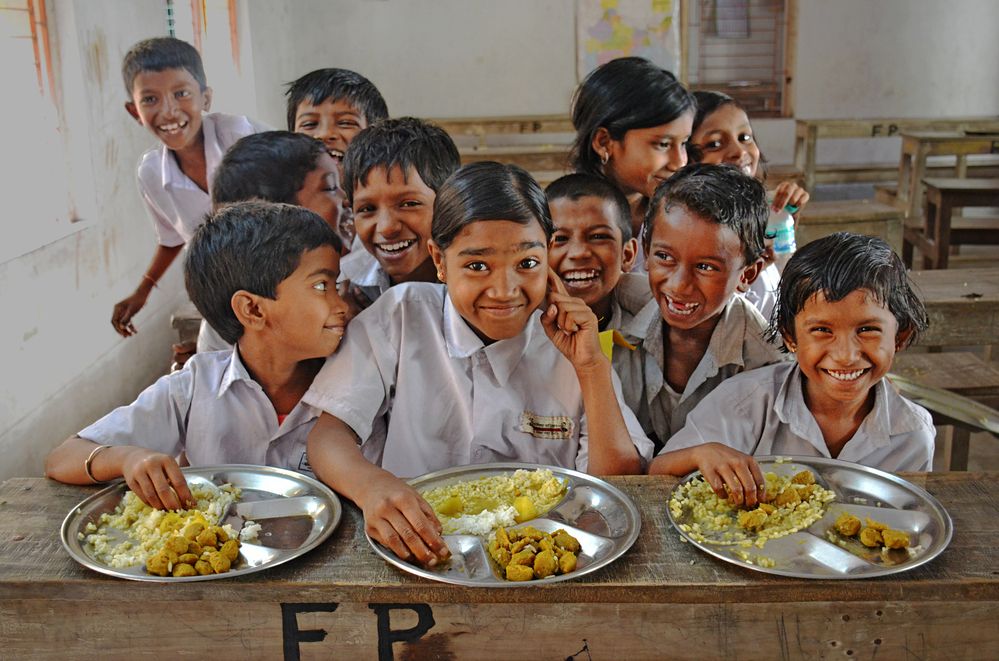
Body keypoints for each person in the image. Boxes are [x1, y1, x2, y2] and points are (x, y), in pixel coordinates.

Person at [304, 162, 654, 566]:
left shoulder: (572, 341)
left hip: (538, 562)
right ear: (439, 259)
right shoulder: (401, 317)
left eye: (527, 264)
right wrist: (371, 487)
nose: (504, 291)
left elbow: (615, 484)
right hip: (417, 551)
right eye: (476, 266)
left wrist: (591, 368)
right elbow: (328, 437)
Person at [46, 202, 348, 509]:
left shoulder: (358, 378)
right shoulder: (193, 388)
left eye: (336, 284)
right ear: (253, 309)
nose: (343, 306)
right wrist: (128, 458)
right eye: (322, 286)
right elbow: (62, 458)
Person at [649, 233, 934, 501]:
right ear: (790, 336)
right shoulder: (743, 403)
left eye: (868, 330)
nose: (846, 355)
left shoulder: (911, 436)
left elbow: (905, 520)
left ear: (900, 336)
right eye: (822, 330)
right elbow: (655, 474)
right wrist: (702, 454)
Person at [616, 163, 785, 452]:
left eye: (706, 267)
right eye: (665, 257)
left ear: (747, 275)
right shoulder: (616, 311)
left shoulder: (768, 364)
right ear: (645, 249)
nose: (680, 285)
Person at [112, 37, 267, 338]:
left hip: (281, 278)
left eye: (181, 93)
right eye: (150, 99)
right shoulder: (151, 174)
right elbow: (172, 237)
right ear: (134, 111)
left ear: (205, 98)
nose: (169, 111)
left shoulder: (242, 137)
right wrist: (143, 290)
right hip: (224, 296)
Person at [197, 130, 348, 353]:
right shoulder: (228, 327)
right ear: (276, 216)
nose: (346, 199)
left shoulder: (365, 280)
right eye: (330, 187)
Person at [687, 90, 810, 320]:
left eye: (745, 137)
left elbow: (786, 289)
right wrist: (751, 269)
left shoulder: (760, 213)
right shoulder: (690, 230)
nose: (739, 152)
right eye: (714, 144)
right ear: (685, 157)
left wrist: (786, 225)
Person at [569, 56, 696, 269]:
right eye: (663, 144)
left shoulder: (682, 216)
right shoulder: (561, 219)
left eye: (683, 143)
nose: (678, 162)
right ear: (604, 142)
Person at [337, 117, 461, 311]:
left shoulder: (482, 283)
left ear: (451, 203)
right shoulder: (345, 288)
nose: (387, 227)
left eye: (409, 204)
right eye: (367, 209)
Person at [286, 68, 389, 245]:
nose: (325, 134)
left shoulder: (387, 223)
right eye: (309, 124)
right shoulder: (283, 218)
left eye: (346, 123)